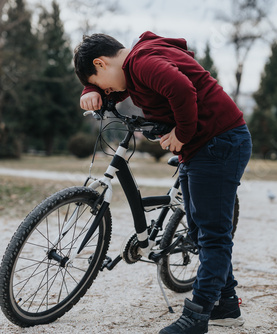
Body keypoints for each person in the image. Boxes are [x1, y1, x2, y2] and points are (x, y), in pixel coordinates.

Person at [73, 31, 252, 334]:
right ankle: (226, 306)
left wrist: (182, 133)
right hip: (204, 146)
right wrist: (90, 88)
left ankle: (196, 318)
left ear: (101, 63)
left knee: (212, 235)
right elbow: (119, 91)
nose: (106, 90)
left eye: (100, 82)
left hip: (219, 142)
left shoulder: (142, 63)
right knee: (198, 228)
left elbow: (182, 90)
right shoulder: (137, 63)